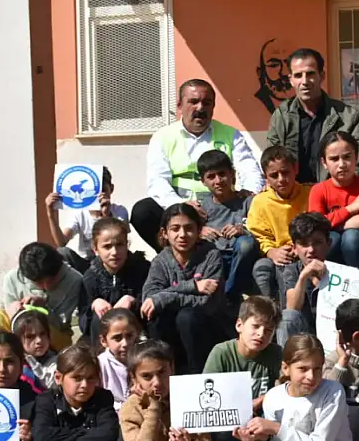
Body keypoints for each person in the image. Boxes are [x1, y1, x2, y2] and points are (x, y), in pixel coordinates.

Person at [132, 79, 265, 251]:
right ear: (180, 105)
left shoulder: (231, 134)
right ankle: (170, 257)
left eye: (206, 102)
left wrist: (249, 193)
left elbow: (250, 168)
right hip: (181, 202)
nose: (200, 108)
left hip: (222, 202)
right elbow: (157, 182)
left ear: (213, 106)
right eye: (193, 102)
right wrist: (182, 205)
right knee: (143, 211)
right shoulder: (162, 136)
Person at [203, 296, 283, 441]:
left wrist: (262, 400)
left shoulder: (276, 354)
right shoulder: (221, 353)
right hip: (230, 419)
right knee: (223, 431)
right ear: (239, 325)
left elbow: (286, 390)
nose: (261, 334)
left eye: (268, 330)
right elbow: (208, 397)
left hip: (263, 419)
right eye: (255, 326)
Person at [141, 203, 225, 374]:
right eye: (175, 229)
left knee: (187, 316)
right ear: (165, 232)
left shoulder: (211, 256)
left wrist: (164, 298)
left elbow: (205, 302)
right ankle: (163, 372)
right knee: (156, 316)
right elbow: (149, 297)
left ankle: (197, 376)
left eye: (189, 228)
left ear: (199, 230)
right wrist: (193, 286)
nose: (182, 235)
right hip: (171, 334)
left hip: (204, 331)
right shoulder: (161, 261)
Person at [267, 48, 359, 184]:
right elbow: (271, 163)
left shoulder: (348, 117)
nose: (305, 81)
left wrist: (331, 190)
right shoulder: (281, 116)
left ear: (322, 76)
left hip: (333, 196)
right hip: (293, 197)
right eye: (298, 75)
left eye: (310, 74)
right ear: (291, 80)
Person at [0, 242, 83, 352]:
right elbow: (10, 318)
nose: (46, 286)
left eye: (51, 280)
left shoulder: (74, 281)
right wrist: (15, 312)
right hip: (18, 333)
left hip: (53, 336)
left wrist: (45, 308)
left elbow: (60, 324)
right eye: (38, 283)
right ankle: (4, 355)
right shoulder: (12, 278)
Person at [308, 130, 359, 267]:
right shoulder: (318, 190)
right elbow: (316, 226)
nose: (342, 164)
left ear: (356, 157)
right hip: (331, 249)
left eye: (347, 157)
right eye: (334, 159)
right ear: (324, 162)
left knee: (351, 237)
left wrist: (332, 224)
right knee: (331, 239)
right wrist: (353, 207)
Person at [248, 146, 312, 300]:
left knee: (290, 271)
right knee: (261, 268)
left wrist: (300, 247)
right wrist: (271, 251)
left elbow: (317, 225)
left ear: (295, 169)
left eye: (285, 172)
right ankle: (267, 310)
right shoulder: (260, 201)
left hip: (305, 251)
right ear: (266, 177)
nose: (281, 179)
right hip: (275, 253)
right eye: (274, 175)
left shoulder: (309, 193)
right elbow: (258, 234)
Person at [196, 149, 259, 299]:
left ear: (232, 174)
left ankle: (228, 295)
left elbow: (262, 230)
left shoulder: (248, 201)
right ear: (203, 181)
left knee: (245, 243)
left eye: (222, 174)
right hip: (216, 260)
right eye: (211, 177)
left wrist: (243, 230)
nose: (218, 181)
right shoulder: (200, 209)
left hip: (243, 258)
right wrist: (200, 231)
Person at [78, 217, 150, 342]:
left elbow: (154, 309)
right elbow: (83, 324)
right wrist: (94, 304)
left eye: (119, 245)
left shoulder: (143, 270)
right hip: (105, 341)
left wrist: (133, 301)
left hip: (138, 336)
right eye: (107, 246)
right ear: (95, 249)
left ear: (127, 244)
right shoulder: (91, 276)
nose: (115, 252)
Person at [45, 167, 129, 273]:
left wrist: (106, 215)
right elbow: (61, 242)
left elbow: (118, 237)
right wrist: (51, 214)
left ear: (111, 189)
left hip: (110, 259)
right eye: (94, 191)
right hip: (86, 263)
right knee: (62, 252)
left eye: (103, 191)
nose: (99, 196)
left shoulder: (120, 211)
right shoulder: (80, 213)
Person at [280, 213, 333, 342]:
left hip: (333, 337)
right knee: (288, 317)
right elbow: (292, 308)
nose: (311, 250)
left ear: (329, 243)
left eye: (317, 243)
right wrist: (303, 276)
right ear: (294, 248)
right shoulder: (292, 270)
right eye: (304, 244)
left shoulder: (340, 271)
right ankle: (288, 361)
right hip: (303, 339)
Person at [98, 309, 141, 410]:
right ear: (104, 341)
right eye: (117, 338)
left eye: (129, 336)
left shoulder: (146, 358)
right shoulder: (100, 364)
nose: (125, 343)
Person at [12, 308, 58, 392]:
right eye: (30, 336)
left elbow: (51, 384)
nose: (39, 341)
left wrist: (36, 369)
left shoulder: (58, 362)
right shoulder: (13, 365)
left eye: (42, 334)